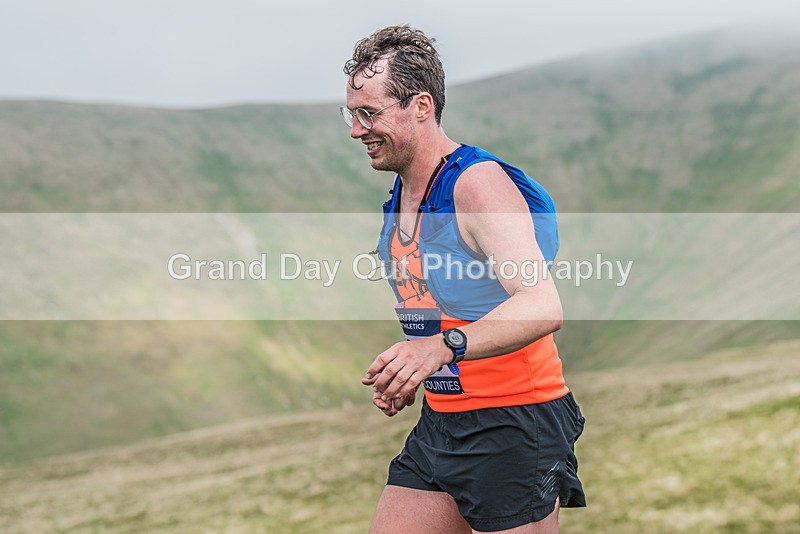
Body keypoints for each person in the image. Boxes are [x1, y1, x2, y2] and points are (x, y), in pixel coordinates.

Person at [341, 25, 586, 533]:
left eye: (370, 113)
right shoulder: (403, 193)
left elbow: (542, 304)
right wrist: (415, 367)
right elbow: (436, 301)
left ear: (421, 105)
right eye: (351, 114)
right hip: (442, 420)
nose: (356, 130)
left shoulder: (477, 185)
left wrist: (439, 349)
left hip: (515, 420)